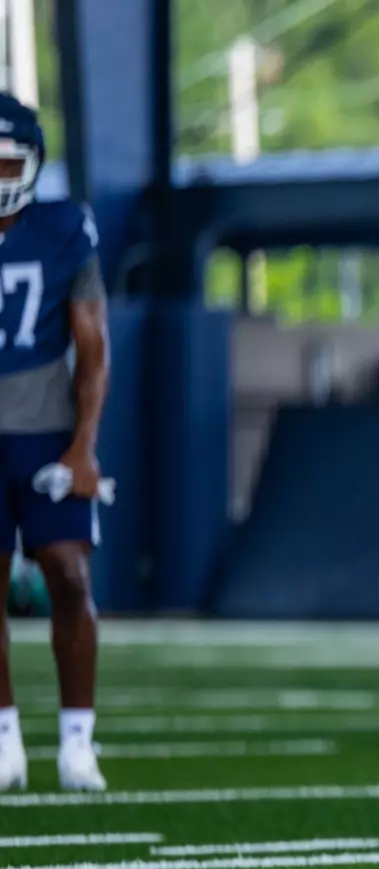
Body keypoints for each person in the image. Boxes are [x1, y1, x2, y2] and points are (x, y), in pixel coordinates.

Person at [0, 93, 110, 793]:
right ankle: (5, 738)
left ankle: (77, 741)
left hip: (45, 430)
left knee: (68, 575)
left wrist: (83, 448)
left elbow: (93, 349)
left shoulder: (65, 228)